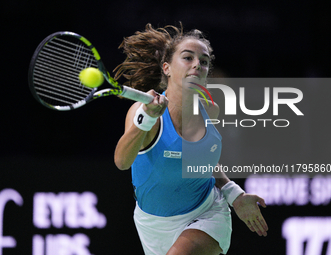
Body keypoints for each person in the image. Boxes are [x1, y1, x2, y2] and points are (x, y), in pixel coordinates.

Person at [114, 23, 268, 255]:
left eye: (204, 61)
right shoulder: (144, 111)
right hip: (152, 224)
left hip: (206, 212)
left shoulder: (210, 111)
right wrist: (145, 118)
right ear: (166, 67)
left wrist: (233, 194)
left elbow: (203, 161)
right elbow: (122, 161)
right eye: (188, 57)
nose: (197, 64)